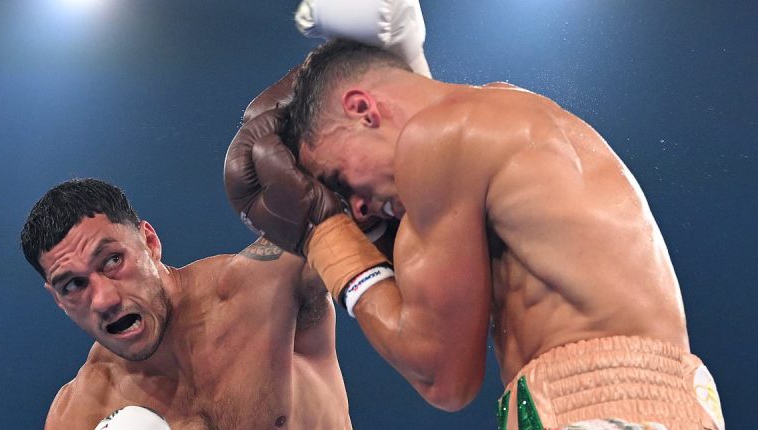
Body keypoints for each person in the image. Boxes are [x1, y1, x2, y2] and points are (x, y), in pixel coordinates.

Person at [224, 39, 725, 429]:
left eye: (336, 178)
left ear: (362, 109)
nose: (353, 206)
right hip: (662, 400)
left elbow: (443, 375)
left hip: (602, 404)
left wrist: (323, 234)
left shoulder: (440, 137)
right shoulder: (510, 114)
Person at [21, 178, 351, 429]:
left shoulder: (262, 290)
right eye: (74, 285)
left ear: (149, 242)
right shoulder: (81, 413)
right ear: (58, 300)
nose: (104, 299)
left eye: (112, 261)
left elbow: (357, 203)